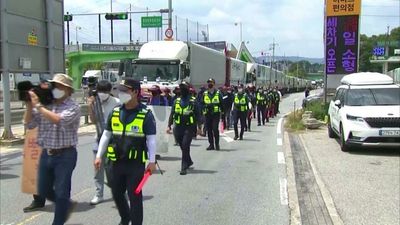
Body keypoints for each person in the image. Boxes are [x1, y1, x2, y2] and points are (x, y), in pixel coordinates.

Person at [94, 78, 157, 225]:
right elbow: (106, 134)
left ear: (135, 92)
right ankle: (125, 217)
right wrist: (98, 156)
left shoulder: (145, 114)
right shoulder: (115, 112)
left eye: (125, 90)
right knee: (116, 193)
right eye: (119, 90)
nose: (121, 93)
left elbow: (151, 140)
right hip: (115, 163)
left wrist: (152, 161)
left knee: (135, 196)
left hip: (135, 164)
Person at [24, 74, 81, 225]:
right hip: (46, 154)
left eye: (59, 86)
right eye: (53, 86)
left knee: (62, 192)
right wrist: (29, 105)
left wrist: (39, 106)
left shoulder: (73, 106)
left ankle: (58, 220)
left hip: (65, 155)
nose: (55, 89)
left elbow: (59, 120)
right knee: (43, 190)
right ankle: (66, 205)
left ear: (68, 90)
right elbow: (29, 124)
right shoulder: (46, 104)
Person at [88, 80, 120, 205]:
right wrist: (90, 107)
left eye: (105, 91)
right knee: (98, 168)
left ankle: (118, 189)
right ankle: (98, 194)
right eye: (100, 91)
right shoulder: (95, 102)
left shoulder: (116, 103)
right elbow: (93, 120)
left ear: (110, 91)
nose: (102, 94)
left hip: (114, 140)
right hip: (99, 138)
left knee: (112, 169)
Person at [167, 82, 200, 175]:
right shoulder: (176, 101)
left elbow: (198, 114)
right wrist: (169, 125)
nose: (182, 90)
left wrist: (199, 127)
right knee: (182, 146)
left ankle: (183, 167)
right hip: (178, 127)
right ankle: (188, 161)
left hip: (189, 127)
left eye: (184, 88)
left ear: (188, 89)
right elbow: (172, 113)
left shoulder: (193, 101)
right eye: (181, 88)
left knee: (185, 145)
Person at [202, 78, 223, 150]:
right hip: (207, 114)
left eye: (211, 82)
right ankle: (211, 144)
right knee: (209, 130)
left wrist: (222, 113)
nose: (209, 84)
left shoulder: (218, 93)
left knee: (215, 129)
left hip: (215, 114)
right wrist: (204, 107)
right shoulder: (205, 93)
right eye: (208, 83)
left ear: (214, 84)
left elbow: (222, 103)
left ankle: (217, 144)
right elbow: (201, 103)